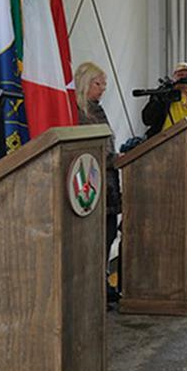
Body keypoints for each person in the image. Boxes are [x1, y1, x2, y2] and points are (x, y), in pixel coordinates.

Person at [74, 62, 122, 302]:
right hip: (91, 185)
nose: (103, 88)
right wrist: (113, 159)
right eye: (98, 83)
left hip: (109, 183)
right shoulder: (78, 112)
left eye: (104, 84)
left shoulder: (97, 109)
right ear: (85, 83)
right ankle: (93, 287)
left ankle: (102, 281)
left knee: (110, 234)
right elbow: (87, 149)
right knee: (96, 239)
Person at [141, 62, 187, 135]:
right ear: (174, 77)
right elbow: (147, 120)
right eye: (180, 75)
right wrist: (162, 100)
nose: (183, 79)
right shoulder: (163, 93)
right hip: (163, 140)